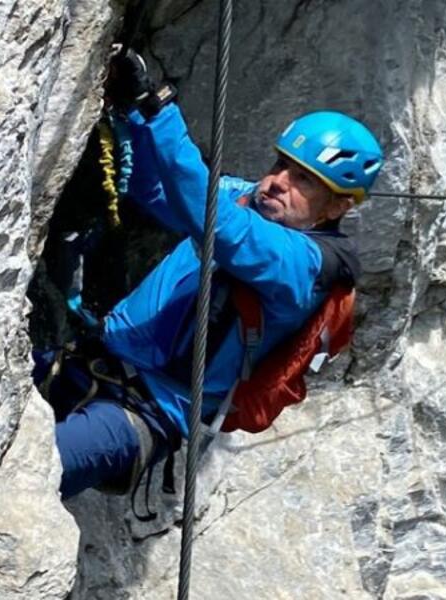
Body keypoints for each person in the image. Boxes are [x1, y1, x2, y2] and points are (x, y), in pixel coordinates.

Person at [34, 50, 380, 499]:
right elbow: (155, 190)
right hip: (87, 362)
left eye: (304, 180)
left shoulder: (306, 266)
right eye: (280, 165)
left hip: (145, 414)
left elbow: (213, 221)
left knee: (34, 474)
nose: (277, 181)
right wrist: (135, 116)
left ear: (338, 207)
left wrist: (158, 109)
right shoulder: (243, 198)